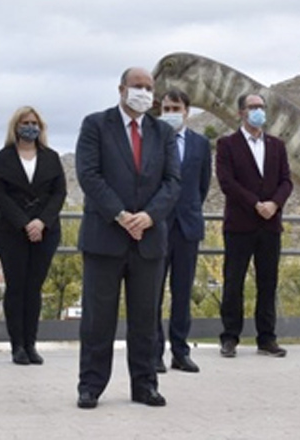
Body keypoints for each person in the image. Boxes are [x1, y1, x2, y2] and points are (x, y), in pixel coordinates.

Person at [75, 67, 181, 409]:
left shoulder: (162, 132)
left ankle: (145, 384)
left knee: (146, 318)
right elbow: (88, 175)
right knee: (97, 318)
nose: (144, 92)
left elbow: (172, 182)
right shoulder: (95, 124)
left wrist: (149, 216)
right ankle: (90, 386)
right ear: (121, 89)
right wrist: (120, 215)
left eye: (149, 87)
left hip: (148, 240)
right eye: (138, 86)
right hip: (105, 236)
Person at [216, 93, 292, 358]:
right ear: (241, 112)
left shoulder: (276, 145)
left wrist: (274, 204)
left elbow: (286, 181)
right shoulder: (227, 144)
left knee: (267, 282)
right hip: (240, 224)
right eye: (252, 107)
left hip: (270, 225)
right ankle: (229, 337)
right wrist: (255, 203)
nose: (257, 111)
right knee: (233, 282)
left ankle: (266, 338)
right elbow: (227, 182)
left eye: (260, 106)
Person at [0, 106, 67, 366]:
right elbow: (0, 194)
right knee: (16, 287)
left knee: (34, 289)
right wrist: (25, 223)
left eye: (34, 123)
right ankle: (17, 346)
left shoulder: (51, 158)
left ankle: (31, 344)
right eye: (25, 123)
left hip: (46, 232)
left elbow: (59, 193)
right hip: (10, 232)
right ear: (16, 127)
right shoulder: (3, 158)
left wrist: (41, 222)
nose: (30, 127)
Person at [154, 88, 212, 374]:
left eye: (176, 108)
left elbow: (202, 186)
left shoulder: (201, 144)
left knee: (182, 292)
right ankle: (154, 352)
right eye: (166, 108)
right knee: (152, 292)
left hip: (187, 227)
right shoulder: (153, 140)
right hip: (157, 225)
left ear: (187, 111)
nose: (171, 113)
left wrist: (188, 211)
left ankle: (180, 351)